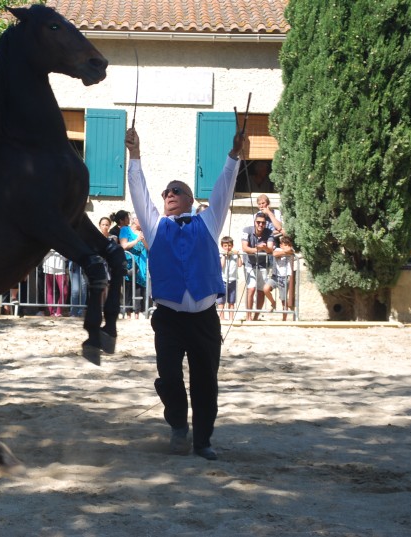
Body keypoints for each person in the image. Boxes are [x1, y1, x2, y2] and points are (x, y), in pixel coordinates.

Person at [126, 126, 244, 461]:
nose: (169, 194)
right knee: (170, 379)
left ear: (191, 199)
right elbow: (138, 190)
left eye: (176, 190)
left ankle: (203, 441)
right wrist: (135, 156)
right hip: (168, 319)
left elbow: (224, 189)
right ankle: (178, 426)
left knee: (205, 383)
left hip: (204, 320)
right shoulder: (154, 225)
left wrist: (233, 156)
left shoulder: (208, 223)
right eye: (166, 192)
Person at [241, 212, 275, 320]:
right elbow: (245, 248)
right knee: (251, 289)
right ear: (254, 222)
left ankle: (256, 316)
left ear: (266, 224)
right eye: (258, 222)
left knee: (261, 291)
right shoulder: (247, 230)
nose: (260, 225)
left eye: (263, 223)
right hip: (249, 264)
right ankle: (248, 316)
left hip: (263, 264)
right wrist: (259, 248)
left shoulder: (269, 232)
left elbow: (270, 249)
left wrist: (263, 248)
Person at [119, 213, 148, 319]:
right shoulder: (125, 230)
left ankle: (137, 312)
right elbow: (124, 246)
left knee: (139, 288)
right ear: (134, 220)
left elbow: (148, 248)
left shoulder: (144, 231)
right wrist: (136, 240)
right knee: (128, 288)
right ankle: (128, 313)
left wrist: (143, 238)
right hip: (130, 263)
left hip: (142, 264)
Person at [269, 236, 295, 320]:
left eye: (288, 244)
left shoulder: (291, 250)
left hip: (285, 277)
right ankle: (273, 302)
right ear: (280, 245)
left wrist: (286, 251)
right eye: (285, 244)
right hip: (275, 276)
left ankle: (284, 319)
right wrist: (285, 252)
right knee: (266, 288)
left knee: (283, 299)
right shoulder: (278, 249)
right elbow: (275, 254)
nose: (286, 246)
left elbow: (291, 250)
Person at [217, 236, 242, 320]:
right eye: (225, 246)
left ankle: (231, 318)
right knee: (221, 301)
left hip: (233, 280)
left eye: (229, 245)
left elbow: (239, 264)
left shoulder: (234, 255)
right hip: (223, 280)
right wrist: (224, 256)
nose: (228, 248)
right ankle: (222, 318)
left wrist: (238, 255)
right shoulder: (220, 255)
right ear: (222, 246)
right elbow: (221, 266)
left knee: (231, 301)